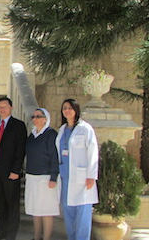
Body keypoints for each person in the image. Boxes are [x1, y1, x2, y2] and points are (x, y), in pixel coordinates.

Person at [55, 99, 98, 240]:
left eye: (70, 108)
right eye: (64, 108)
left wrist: (92, 176)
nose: (67, 110)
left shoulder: (85, 129)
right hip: (65, 178)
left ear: (76, 110)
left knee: (83, 215)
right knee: (68, 214)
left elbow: (93, 152)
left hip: (83, 179)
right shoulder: (62, 130)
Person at [0, 97, 27, 240]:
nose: (2, 109)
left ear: (11, 108)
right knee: (0, 203)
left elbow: (20, 150)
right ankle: (2, 232)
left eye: (5, 106)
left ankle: (11, 234)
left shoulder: (18, 125)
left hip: (11, 171)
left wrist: (16, 170)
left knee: (12, 204)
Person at [25, 108, 59, 240]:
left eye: (38, 116)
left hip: (46, 179)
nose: (35, 119)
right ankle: (37, 237)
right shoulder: (32, 135)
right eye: (33, 117)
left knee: (47, 211)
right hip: (32, 177)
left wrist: (53, 177)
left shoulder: (51, 134)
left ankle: (47, 238)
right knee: (35, 211)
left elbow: (55, 157)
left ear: (46, 119)